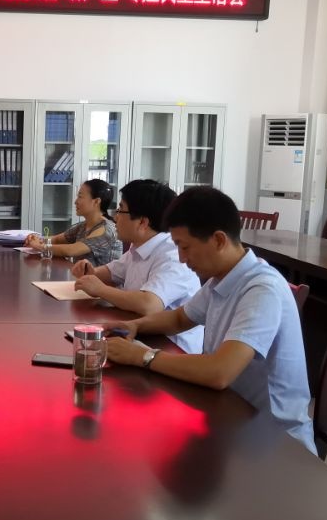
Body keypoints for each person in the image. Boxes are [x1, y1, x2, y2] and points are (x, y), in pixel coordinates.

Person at [102, 186, 315, 454]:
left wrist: (142, 356)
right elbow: (180, 318)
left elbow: (219, 372)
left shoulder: (262, 289)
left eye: (185, 247)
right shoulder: (221, 278)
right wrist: (134, 326)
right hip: (231, 416)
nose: (182, 258)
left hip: (273, 441)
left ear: (218, 240)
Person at [72, 179, 202, 353]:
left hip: (170, 348)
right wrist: (89, 270)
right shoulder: (139, 246)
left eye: (120, 210)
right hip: (139, 334)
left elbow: (149, 304)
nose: (115, 217)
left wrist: (100, 289)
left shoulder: (172, 255)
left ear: (142, 222)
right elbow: (111, 272)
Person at [24, 179, 122, 266]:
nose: (75, 202)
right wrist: (37, 239)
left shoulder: (107, 230)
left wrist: (39, 246)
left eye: (80, 197)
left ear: (96, 201)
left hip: (100, 281)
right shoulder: (83, 226)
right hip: (82, 279)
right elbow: (57, 239)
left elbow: (72, 250)